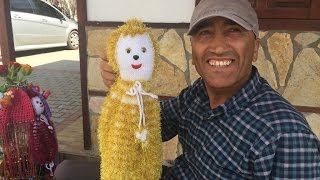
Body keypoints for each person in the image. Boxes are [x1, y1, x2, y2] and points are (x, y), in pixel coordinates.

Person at [55, 0, 320, 179]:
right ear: (193, 51)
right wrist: (125, 89)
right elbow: (155, 126)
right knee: (66, 171)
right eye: (205, 33)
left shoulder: (287, 136)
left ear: (256, 49)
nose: (217, 46)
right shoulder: (198, 93)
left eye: (233, 31)